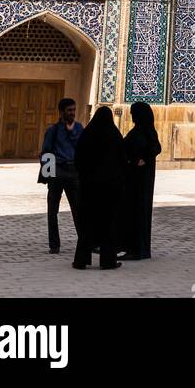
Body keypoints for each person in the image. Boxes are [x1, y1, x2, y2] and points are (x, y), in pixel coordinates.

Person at [72, 106, 126, 271]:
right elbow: (122, 161)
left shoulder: (87, 135)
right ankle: (108, 261)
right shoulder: (115, 136)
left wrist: (85, 177)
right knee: (108, 224)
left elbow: (78, 159)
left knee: (86, 222)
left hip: (89, 188)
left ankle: (81, 260)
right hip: (109, 189)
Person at [40, 97, 83, 255]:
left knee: (78, 209)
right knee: (52, 211)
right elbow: (46, 152)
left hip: (73, 172)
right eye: (69, 110)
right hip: (57, 172)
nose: (72, 113)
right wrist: (48, 176)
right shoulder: (53, 130)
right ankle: (54, 244)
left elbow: (82, 149)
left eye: (73, 110)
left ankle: (84, 241)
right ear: (61, 112)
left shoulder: (79, 128)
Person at [121, 101, 162, 259]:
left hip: (141, 180)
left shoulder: (146, 132)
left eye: (134, 114)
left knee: (139, 212)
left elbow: (156, 148)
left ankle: (138, 250)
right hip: (134, 179)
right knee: (134, 212)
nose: (132, 116)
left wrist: (144, 159)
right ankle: (136, 248)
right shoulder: (138, 130)